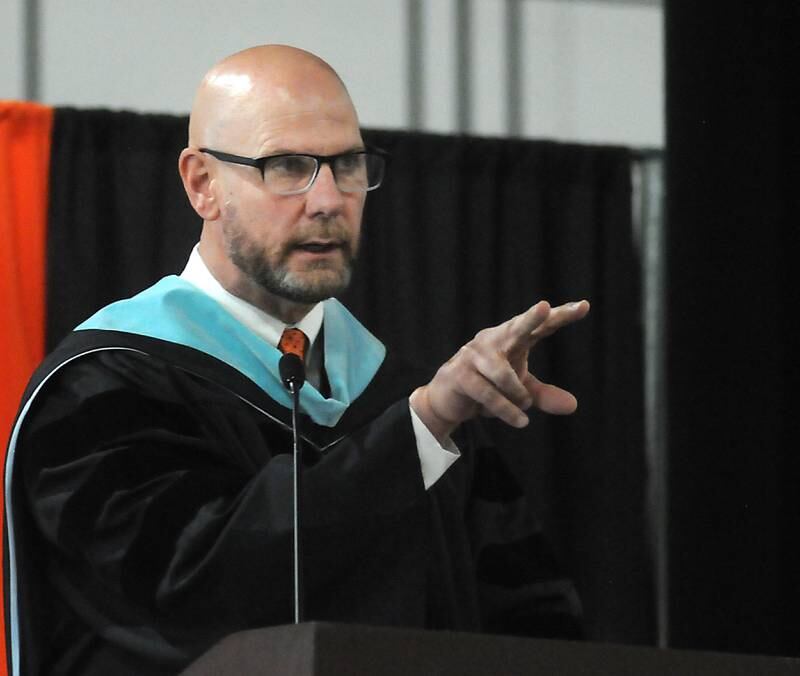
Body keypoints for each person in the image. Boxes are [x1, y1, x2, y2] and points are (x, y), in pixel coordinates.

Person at [4, 45, 590, 675]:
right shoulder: (102, 388)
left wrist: (424, 423)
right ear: (202, 184)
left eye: (348, 165)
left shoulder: (410, 398)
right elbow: (198, 590)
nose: (329, 200)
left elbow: (532, 633)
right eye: (287, 166)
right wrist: (415, 432)